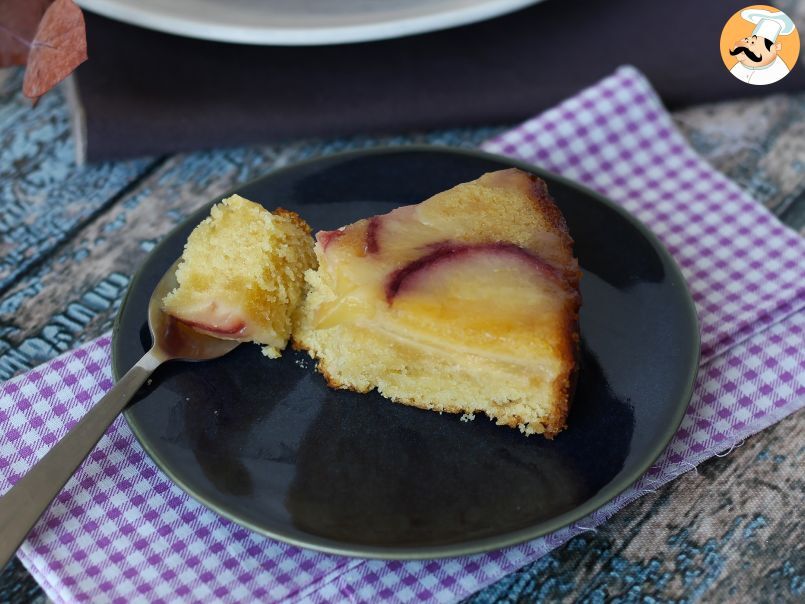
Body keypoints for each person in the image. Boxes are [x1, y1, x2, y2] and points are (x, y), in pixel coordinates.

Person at [729, 9, 796, 85]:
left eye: (753, 43)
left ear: (776, 47)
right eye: (747, 40)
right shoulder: (738, 67)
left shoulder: (779, 71)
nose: (747, 42)